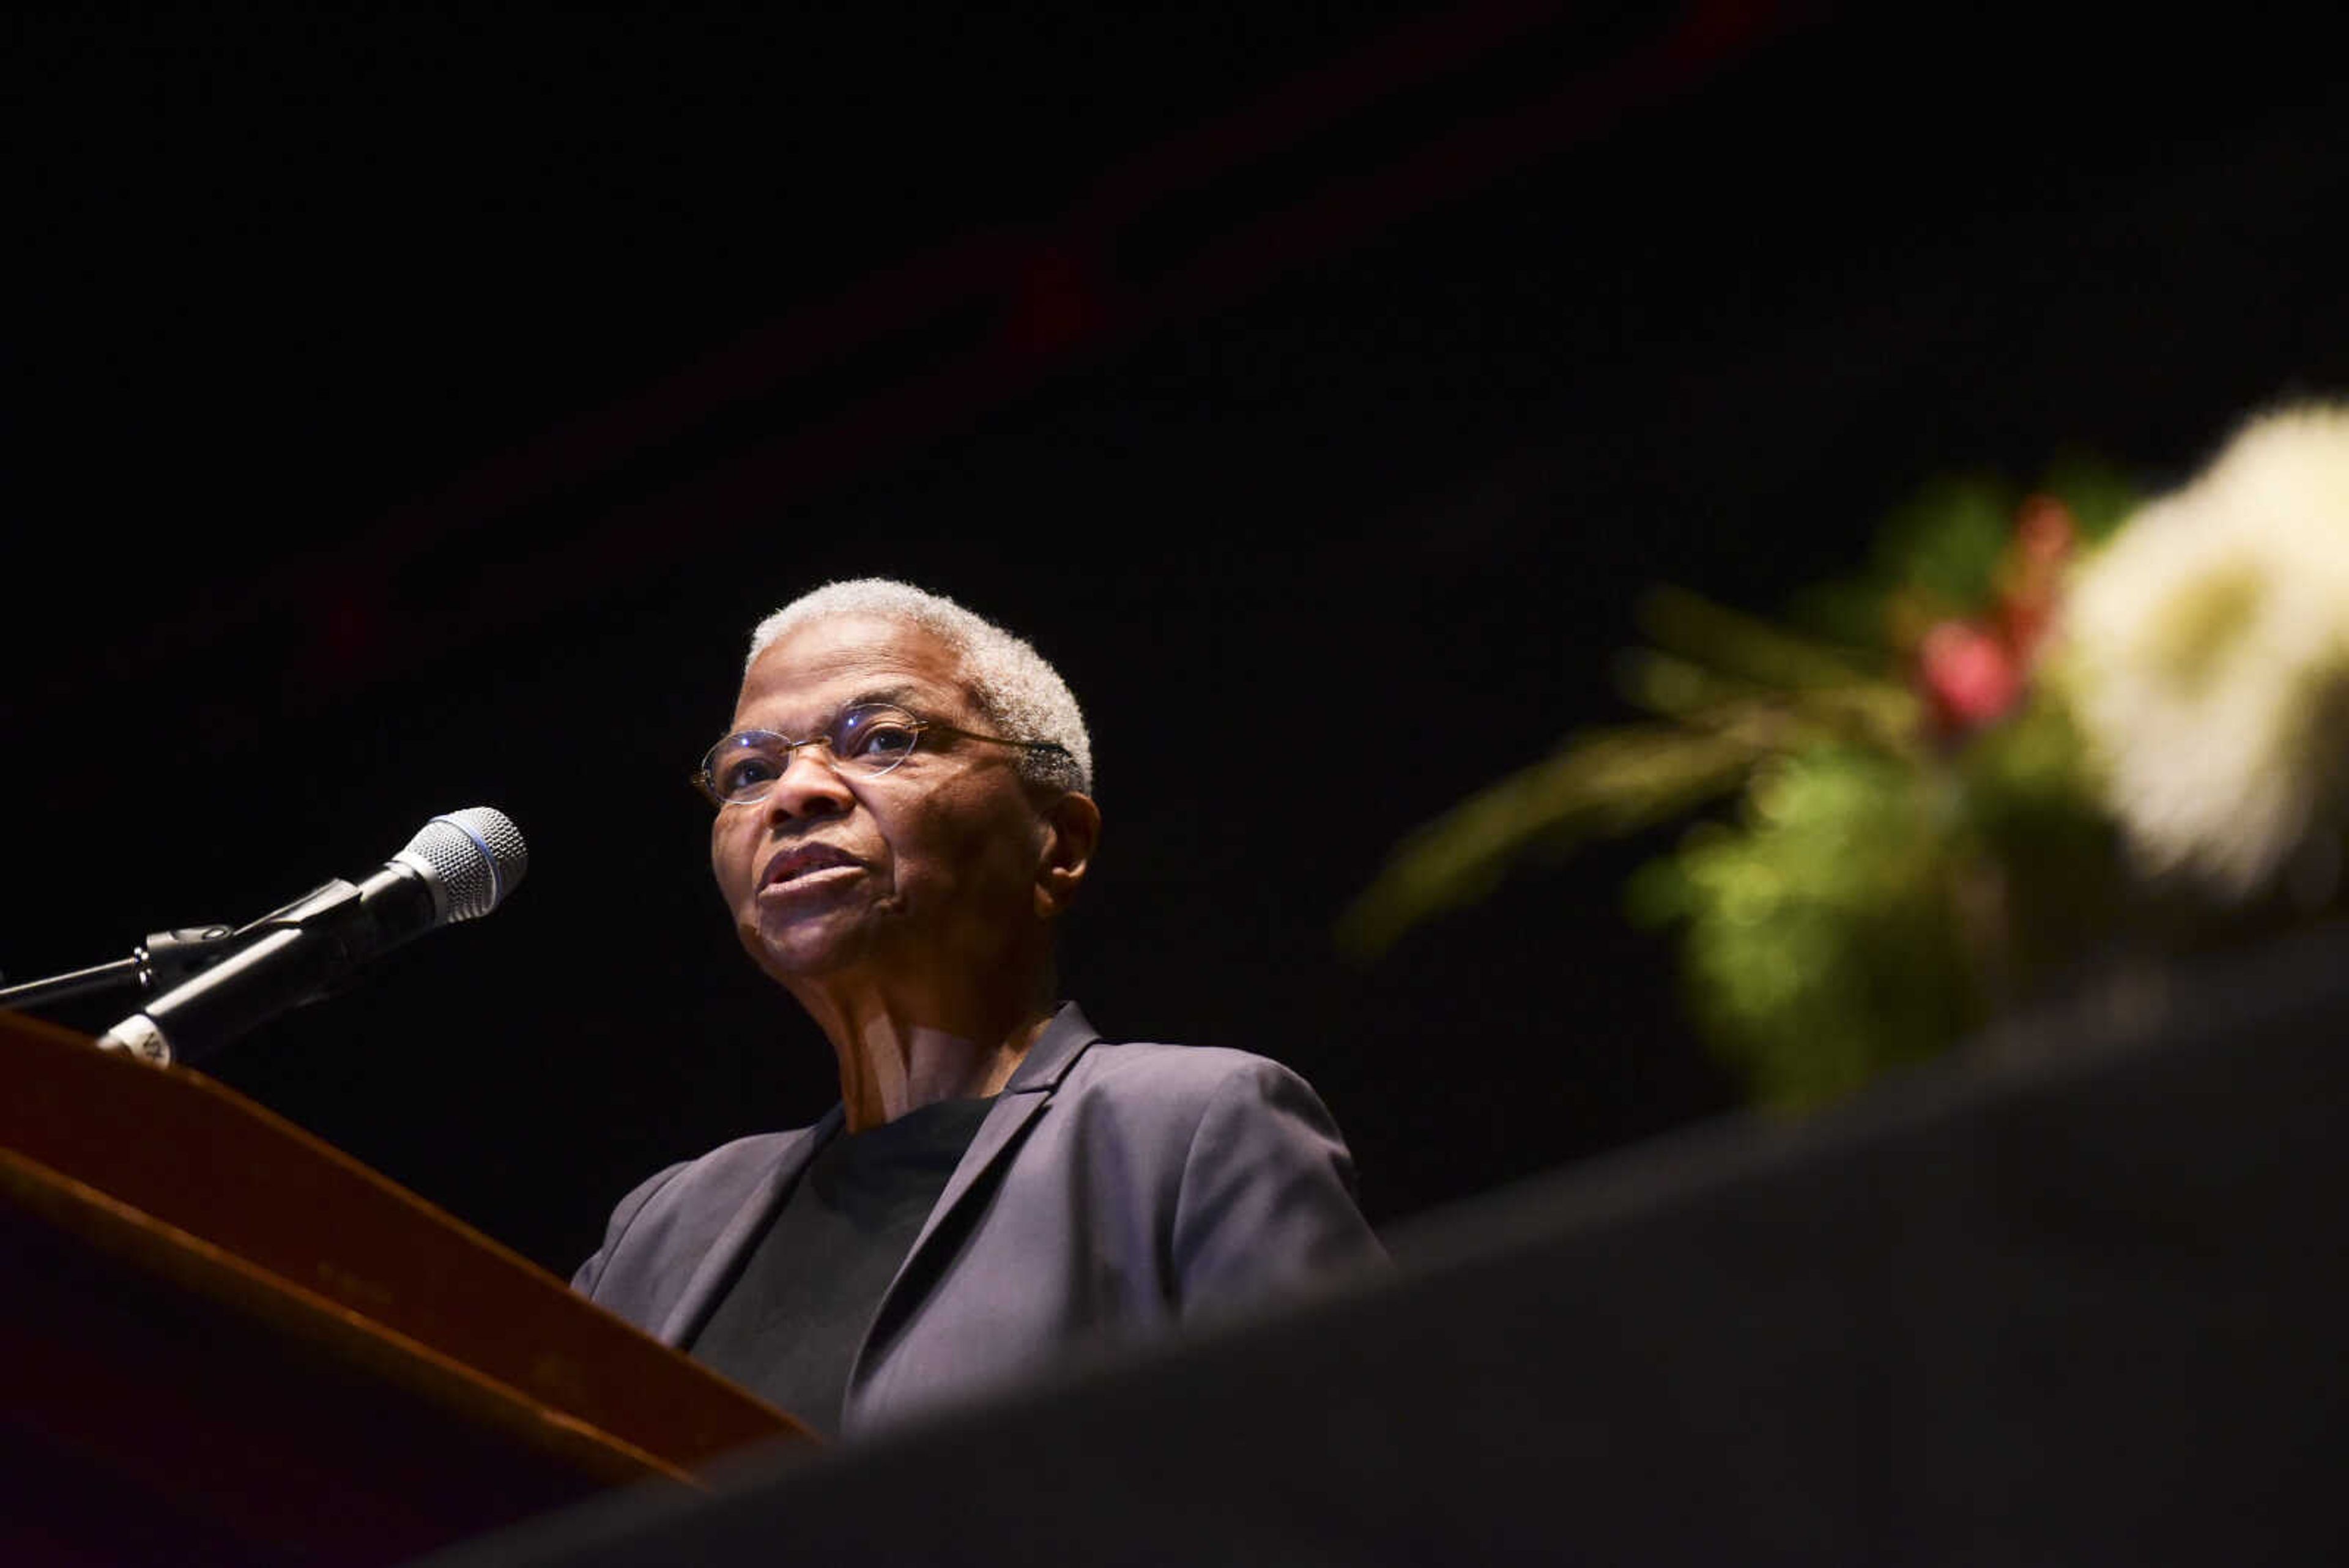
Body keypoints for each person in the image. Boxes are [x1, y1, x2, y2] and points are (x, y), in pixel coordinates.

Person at [571, 578, 1384, 1438]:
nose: (795, 793)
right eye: (749, 771)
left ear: (1058, 844)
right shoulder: (661, 1231)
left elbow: (1356, 1488)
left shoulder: (1185, 1133)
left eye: (881, 738)